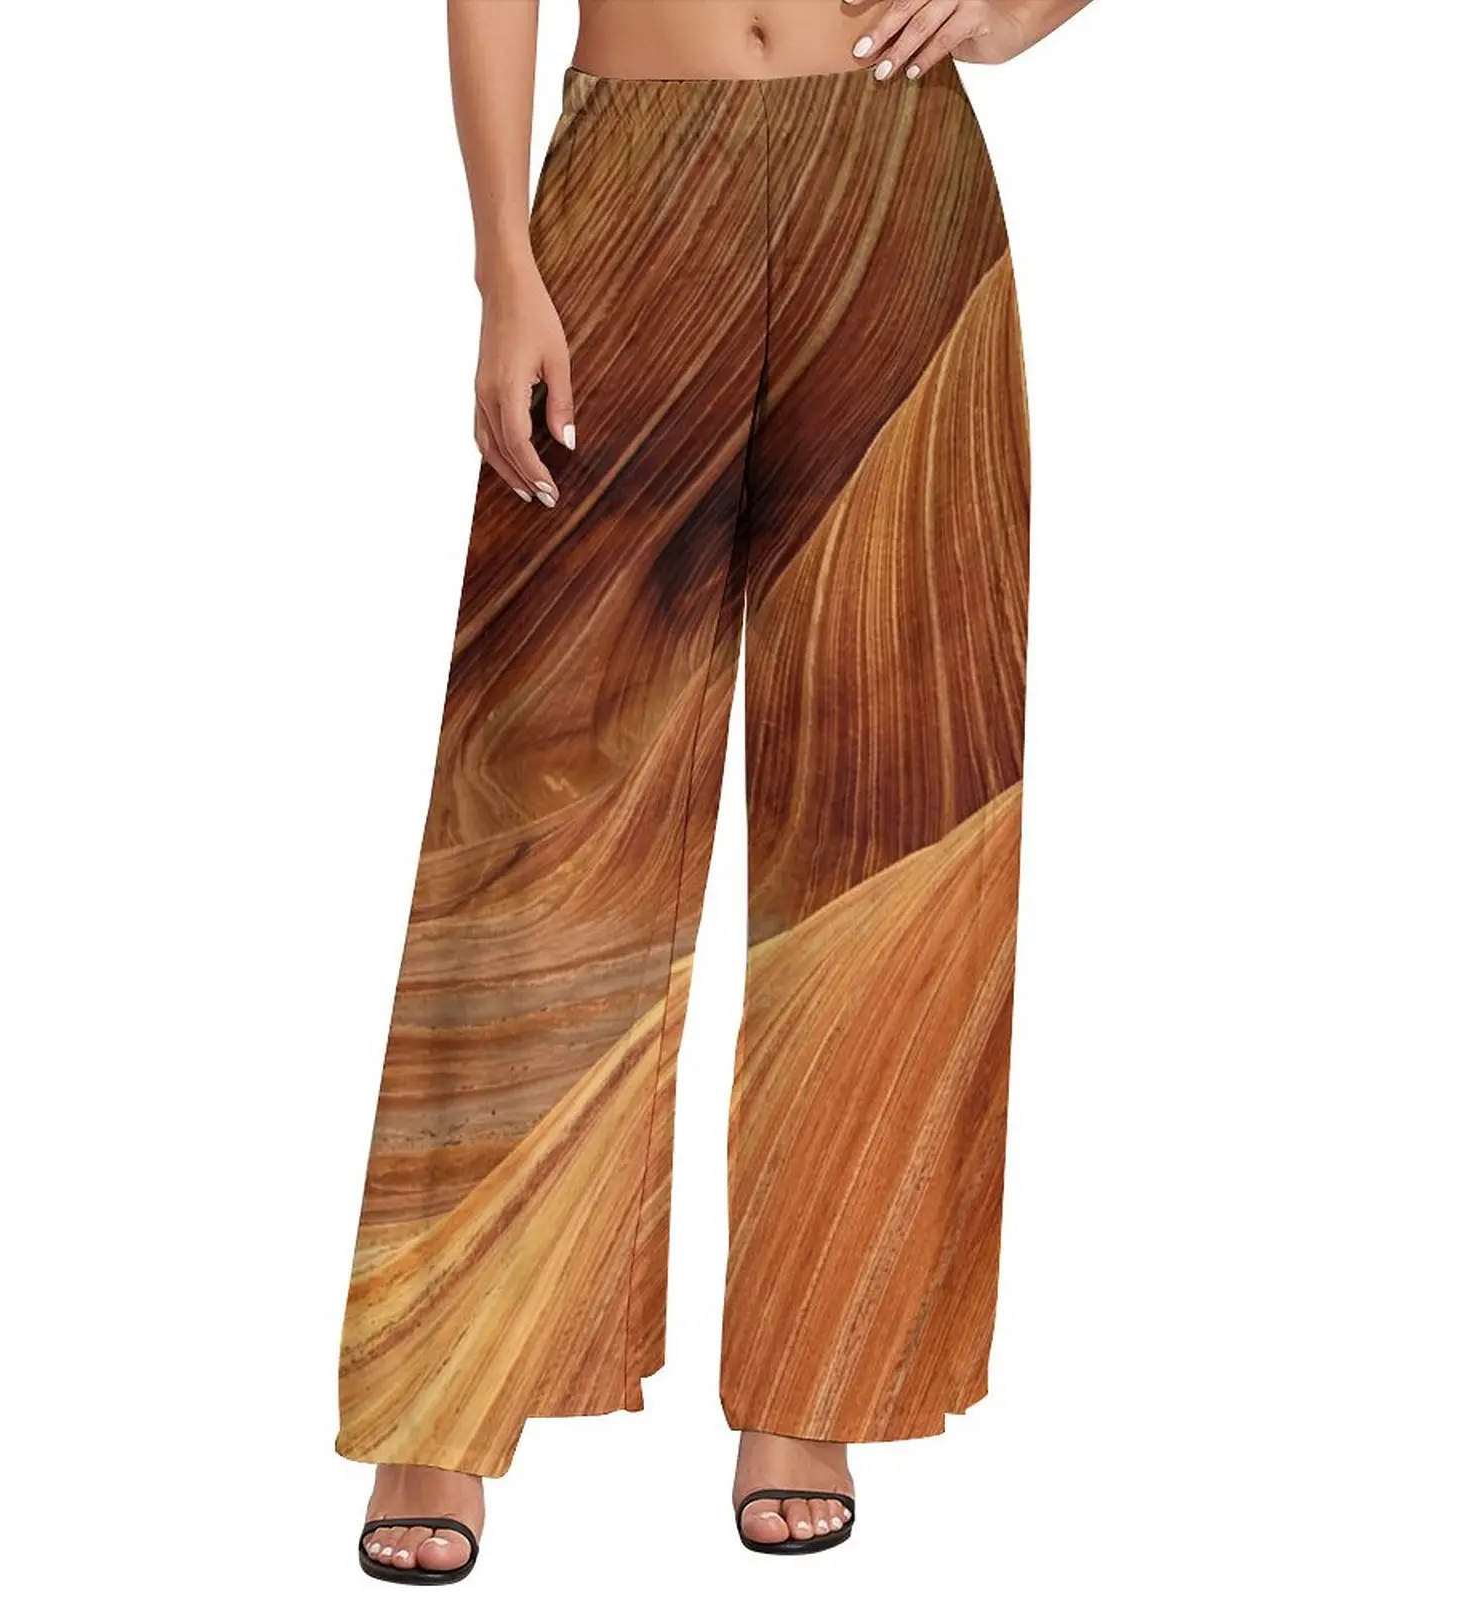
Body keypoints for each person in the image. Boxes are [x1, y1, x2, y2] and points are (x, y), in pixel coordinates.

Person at [339, 0, 1089, 1582]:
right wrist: (504, 265)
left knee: (890, 808)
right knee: (539, 807)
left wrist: (1023, 10)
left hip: (896, 178)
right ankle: (447, 1387)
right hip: (630, 177)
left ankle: (821, 1383)